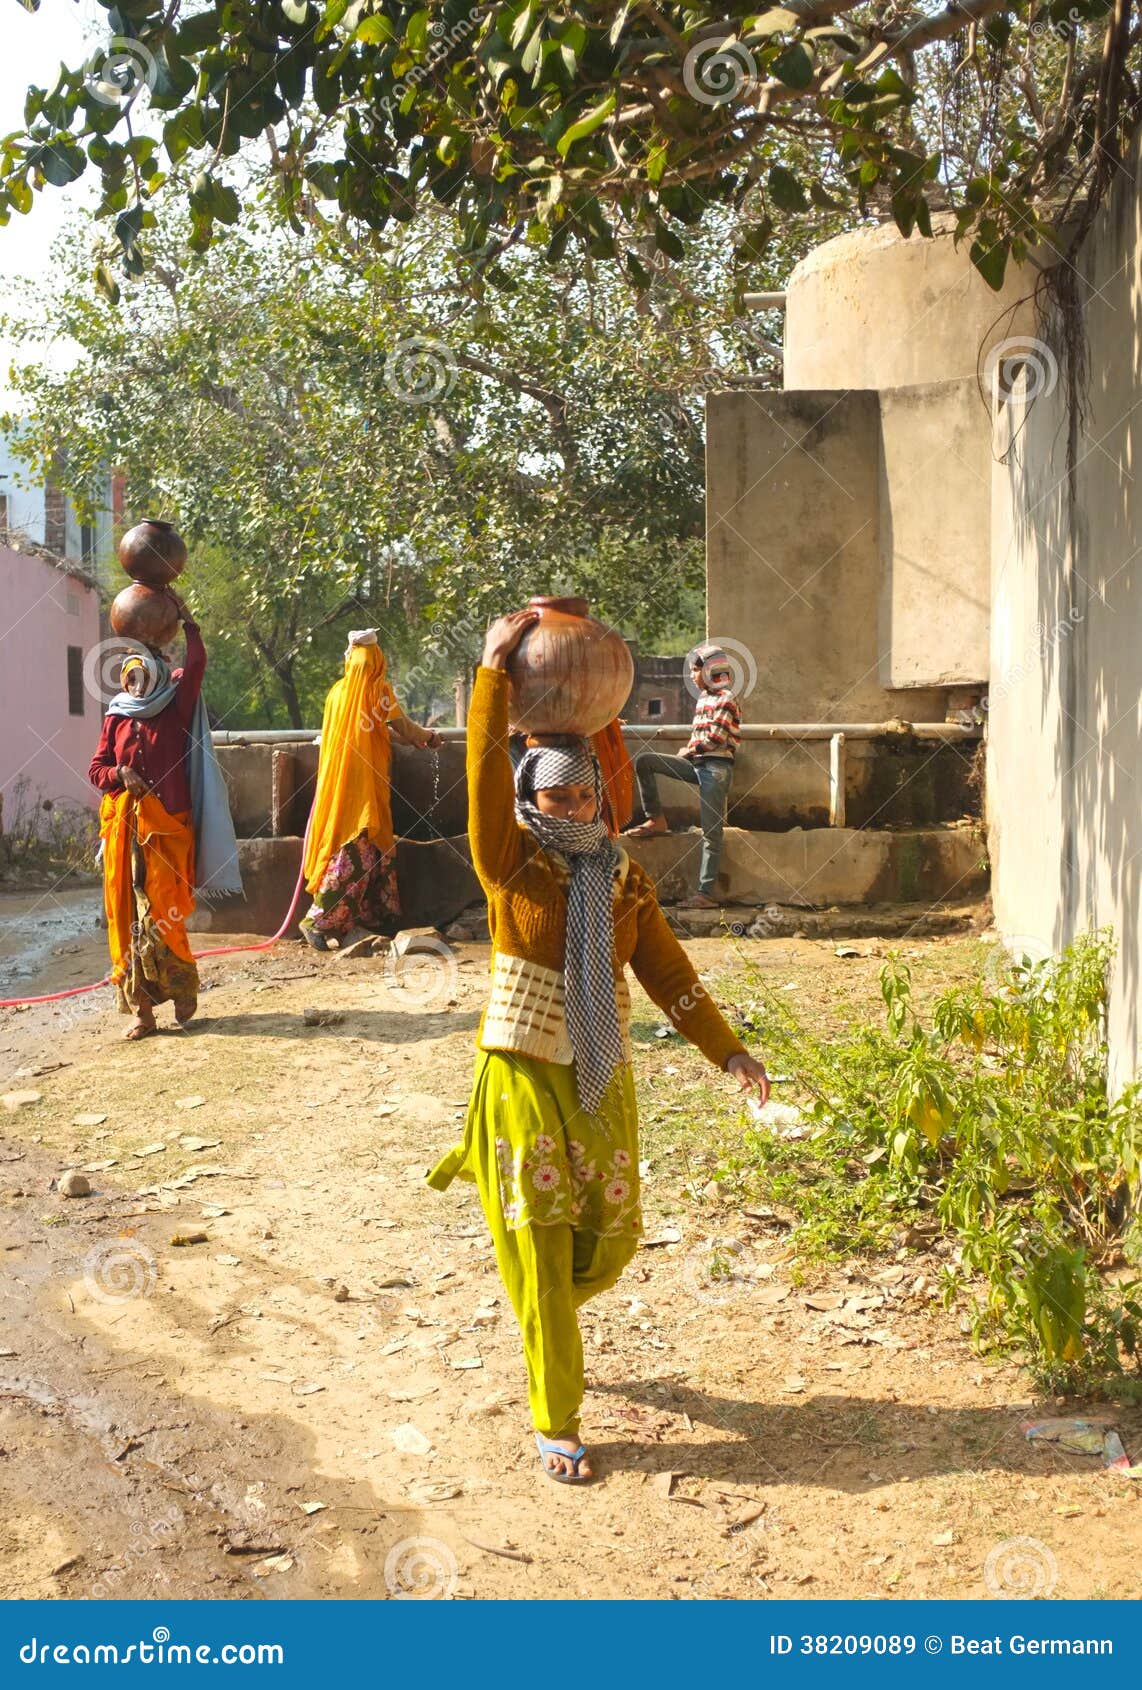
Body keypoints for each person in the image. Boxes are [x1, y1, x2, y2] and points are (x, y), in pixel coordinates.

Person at [427, 609, 769, 1484]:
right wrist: (493, 677)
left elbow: (668, 973)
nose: (574, 806)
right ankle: (558, 1415)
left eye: (585, 793)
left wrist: (727, 1051)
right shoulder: (512, 865)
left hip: (600, 1066)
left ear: (602, 795)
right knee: (539, 1241)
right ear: (531, 795)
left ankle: (548, 1321)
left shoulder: (620, 875)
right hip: (522, 1070)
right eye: (556, 793)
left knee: (610, 1240)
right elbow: (477, 780)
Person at [88, 592, 242, 1040]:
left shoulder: (175, 707)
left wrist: (188, 621)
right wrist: (121, 772)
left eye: (142, 678)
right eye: (129, 679)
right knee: (129, 917)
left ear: (155, 677)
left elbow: (195, 667)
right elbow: (96, 770)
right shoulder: (116, 718)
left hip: (169, 828)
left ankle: (181, 988)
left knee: (163, 914)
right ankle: (142, 1011)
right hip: (125, 832)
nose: (135, 687)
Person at [300, 629, 441, 950]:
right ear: (377, 661)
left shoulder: (337, 692)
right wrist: (429, 737)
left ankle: (372, 918)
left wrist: (410, 737)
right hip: (363, 784)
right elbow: (402, 725)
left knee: (362, 844)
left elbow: (380, 730)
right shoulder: (379, 689)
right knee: (358, 849)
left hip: (339, 783)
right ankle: (317, 922)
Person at [624, 644, 741, 909]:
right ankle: (656, 819)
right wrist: (689, 752)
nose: (692, 676)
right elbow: (698, 736)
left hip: (715, 768)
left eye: (695, 670)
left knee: (711, 832)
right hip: (696, 763)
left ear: (710, 671)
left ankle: (706, 894)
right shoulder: (703, 699)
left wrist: (688, 751)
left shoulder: (726, 698)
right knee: (646, 762)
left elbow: (715, 739)